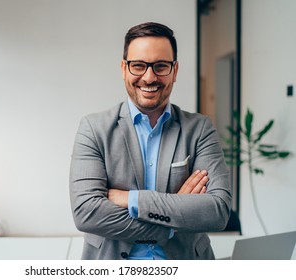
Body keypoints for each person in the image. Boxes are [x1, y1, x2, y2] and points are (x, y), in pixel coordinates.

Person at [69, 22, 232, 260]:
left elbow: (217, 212)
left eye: (160, 66)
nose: (149, 77)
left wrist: (131, 199)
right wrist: (172, 223)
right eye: (138, 66)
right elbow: (86, 213)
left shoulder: (199, 129)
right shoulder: (93, 129)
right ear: (124, 69)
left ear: (175, 71)